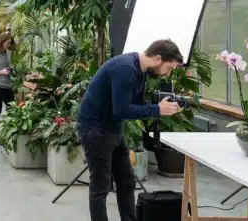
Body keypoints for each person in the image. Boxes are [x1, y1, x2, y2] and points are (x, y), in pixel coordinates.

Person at [76, 39, 184, 221]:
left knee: (126, 181)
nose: (168, 73)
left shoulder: (141, 71)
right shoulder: (125, 69)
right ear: (158, 59)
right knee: (100, 186)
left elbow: (137, 104)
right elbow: (122, 110)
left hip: (112, 128)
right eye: (169, 67)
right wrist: (157, 109)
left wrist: (161, 107)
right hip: (94, 130)